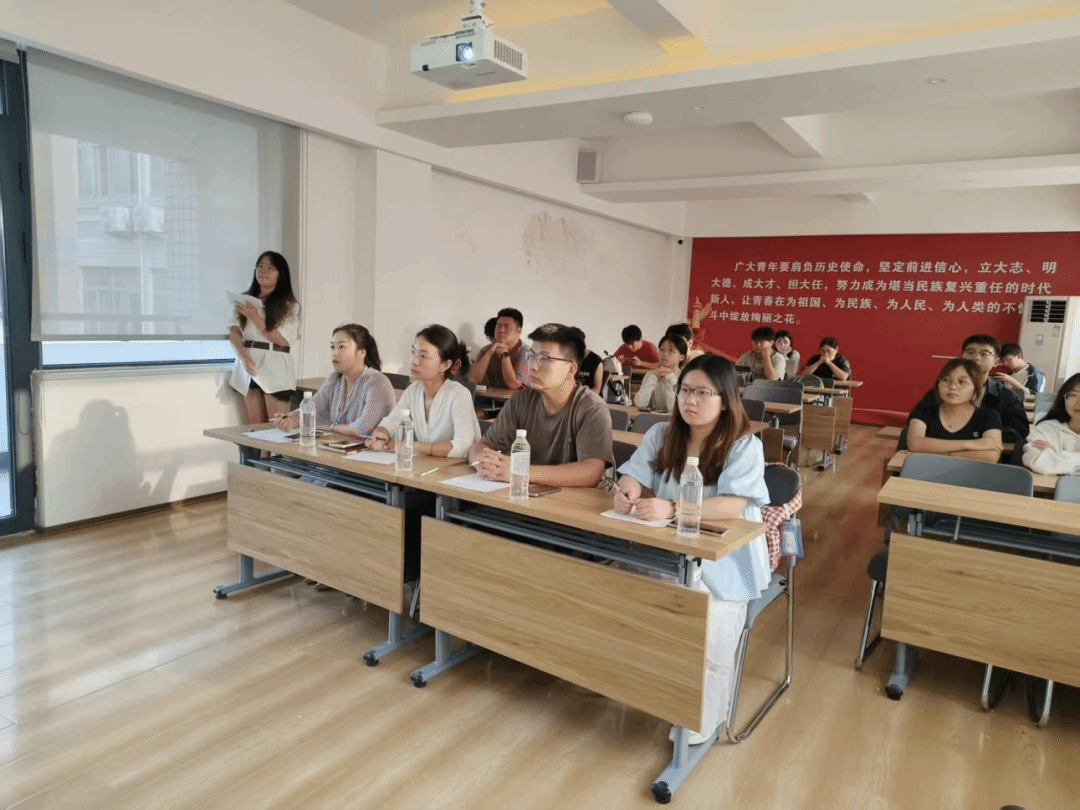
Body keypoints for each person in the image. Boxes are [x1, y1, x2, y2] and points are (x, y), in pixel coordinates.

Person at [613, 354, 771, 745]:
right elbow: (634, 474)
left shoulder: (743, 445)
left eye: (703, 393)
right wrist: (626, 491)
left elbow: (732, 505)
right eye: (685, 390)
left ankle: (706, 716)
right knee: (623, 600)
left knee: (710, 630)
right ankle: (644, 685)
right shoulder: (662, 434)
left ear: (726, 400)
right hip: (668, 550)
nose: (690, 400)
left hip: (727, 560)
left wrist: (673, 508)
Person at [470, 323, 614, 488]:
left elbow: (592, 472)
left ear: (571, 369)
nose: (533, 366)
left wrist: (520, 471)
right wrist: (482, 461)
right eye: (531, 356)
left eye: (544, 358)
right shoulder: (520, 401)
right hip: (531, 492)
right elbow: (482, 446)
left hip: (577, 498)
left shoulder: (591, 408)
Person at [366, 325, 481, 458]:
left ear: (445, 365)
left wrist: (411, 446)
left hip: (456, 468)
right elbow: (392, 421)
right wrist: (381, 434)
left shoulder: (459, 395)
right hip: (427, 465)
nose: (414, 361)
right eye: (413, 352)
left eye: (424, 356)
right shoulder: (413, 390)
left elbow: (464, 446)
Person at [274, 324, 394, 438]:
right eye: (333, 347)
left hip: (369, 450)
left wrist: (329, 427)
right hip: (339, 445)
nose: (335, 353)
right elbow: (313, 407)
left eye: (341, 347)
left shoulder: (377, 382)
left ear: (361, 353)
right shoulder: (335, 378)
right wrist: (290, 420)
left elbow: (361, 429)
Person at [228, 251, 300, 423]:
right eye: (260, 266)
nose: (263, 271)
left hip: (275, 365)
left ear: (281, 274)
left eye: (270, 267)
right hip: (249, 364)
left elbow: (282, 340)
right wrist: (243, 357)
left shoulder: (289, 305)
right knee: (254, 428)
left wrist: (255, 317)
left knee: (277, 427)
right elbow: (234, 332)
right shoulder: (245, 300)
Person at [905, 358, 1003, 462]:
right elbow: (915, 444)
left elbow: (991, 456)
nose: (952, 387)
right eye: (946, 380)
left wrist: (944, 454)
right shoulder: (924, 410)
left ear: (976, 388)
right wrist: (970, 444)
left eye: (961, 382)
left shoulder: (989, 416)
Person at [960, 334, 1030, 447]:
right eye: (970, 352)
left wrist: (976, 433)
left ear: (996, 362)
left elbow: (1018, 433)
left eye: (984, 354)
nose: (976, 357)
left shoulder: (1008, 397)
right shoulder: (943, 392)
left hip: (986, 453)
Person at [1022, 372, 1080, 475]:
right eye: (1073, 395)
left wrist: (1056, 454)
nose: (1078, 402)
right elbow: (1038, 463)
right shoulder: (1046, 429)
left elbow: (1049, 462)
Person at [467, 307, 529, 391]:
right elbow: (472, 380)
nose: (501, 330)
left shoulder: (526, 353)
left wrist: (505, 355)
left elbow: (513, 385)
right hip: (486, 398)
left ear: (519, 331)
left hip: (513, 399)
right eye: (498, 326)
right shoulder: (486, 350)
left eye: (507, 327)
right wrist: (489, 352)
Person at [634, 333, 687, 412]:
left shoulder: (685, 377)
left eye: (671, 351)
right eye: (662, 350)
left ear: (681, 357)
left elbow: (674, 409)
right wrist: (652, 379)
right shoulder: (651, 374)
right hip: (653, 418)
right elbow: (639, 404)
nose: (664, 354)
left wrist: (671, 380)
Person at [574, 330, 607, 397]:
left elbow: (596, 390)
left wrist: (577, 397)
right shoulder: (568, 358)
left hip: (589, 398)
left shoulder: (596, 361)